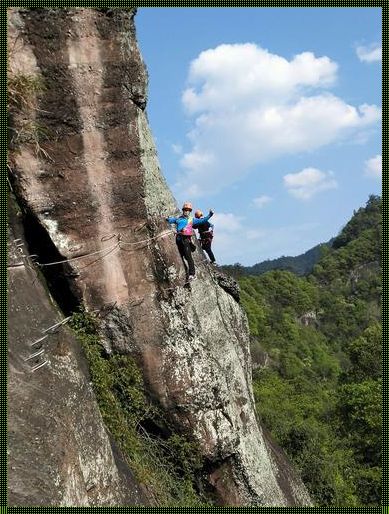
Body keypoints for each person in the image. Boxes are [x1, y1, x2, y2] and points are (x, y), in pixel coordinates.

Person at [166, 202, 214, 281]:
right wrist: (167, 219)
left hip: (185, 240)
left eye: (188, 210)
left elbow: (202, 221)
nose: (186, 211)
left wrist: (210, 215)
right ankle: (183, 274)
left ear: (190, 211)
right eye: (185, 210)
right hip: (178, 240)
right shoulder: (178, 219)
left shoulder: (192, 220)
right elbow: (171, 220)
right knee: (180, 256)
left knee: (188, 257)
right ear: (183, 210)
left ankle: (192, 274)